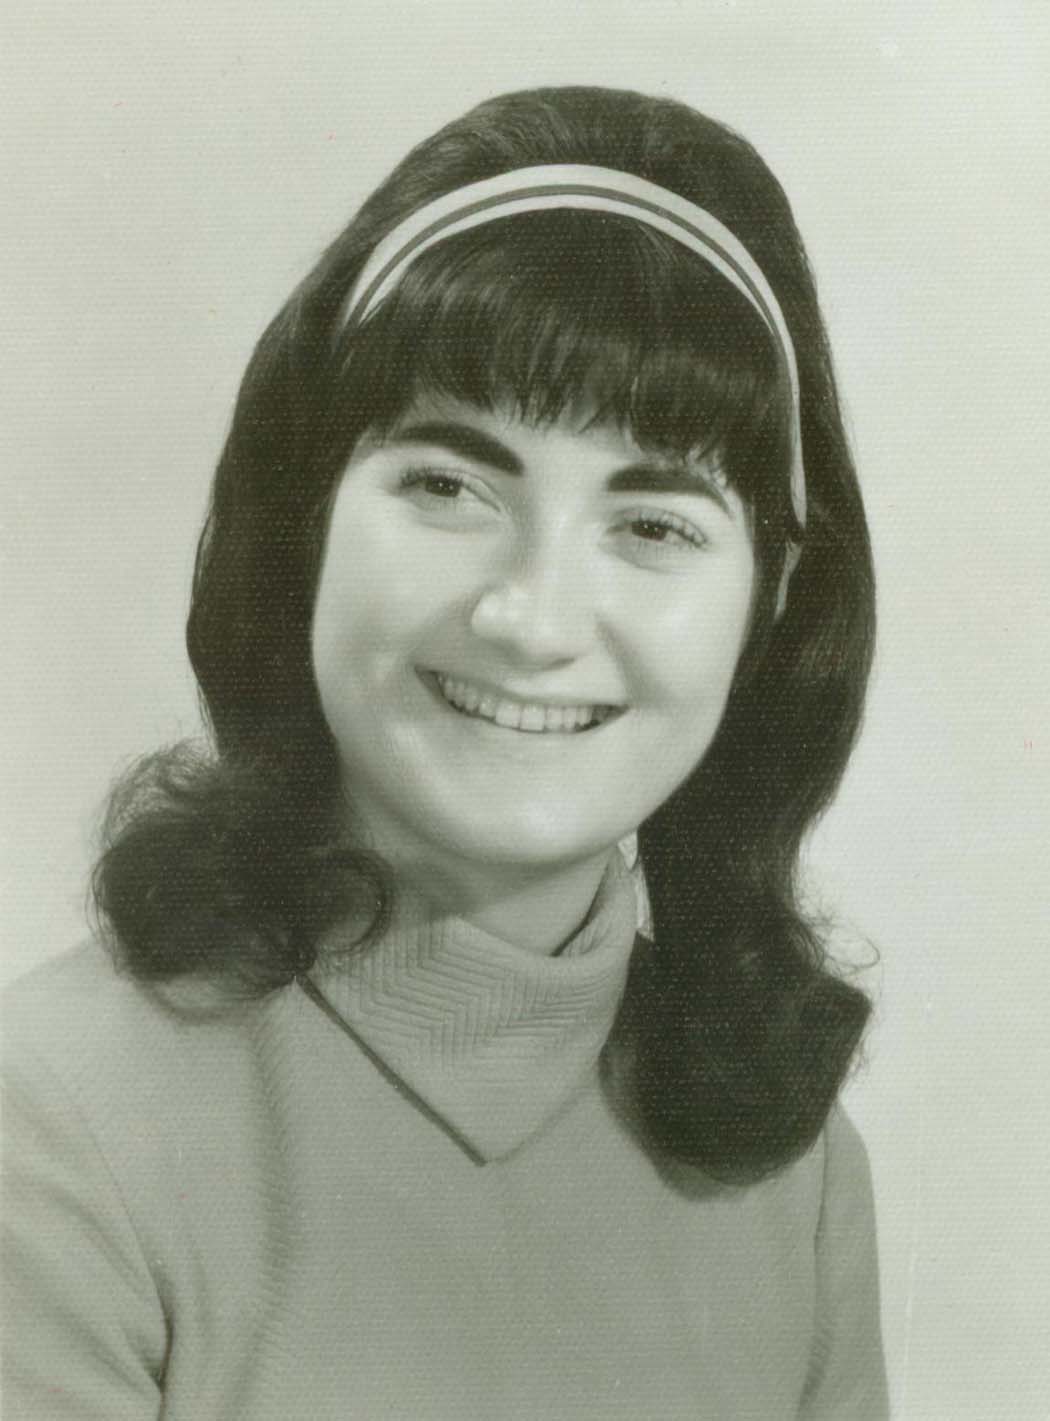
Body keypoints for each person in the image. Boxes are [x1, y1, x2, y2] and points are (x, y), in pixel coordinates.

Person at [2, 85, 888, 1418]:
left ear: (770, 602)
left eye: (653, 524)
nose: (531, 621)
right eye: (446, 485)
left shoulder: (795, 1173)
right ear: (305, 519)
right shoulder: (50, 1126)